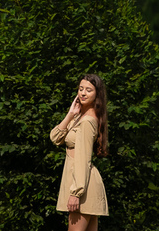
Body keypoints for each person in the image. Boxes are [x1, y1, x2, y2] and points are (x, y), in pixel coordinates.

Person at [49, 73, 109, 230]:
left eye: (88, 90)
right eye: (81, 89)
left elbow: (83, 158)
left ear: (97, 94)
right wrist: (70, 114)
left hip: (83, 189)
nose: (83, 93)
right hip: (85, 186)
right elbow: (55, 138)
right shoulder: (80, 118)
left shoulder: (87, 121)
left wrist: (76, 193)